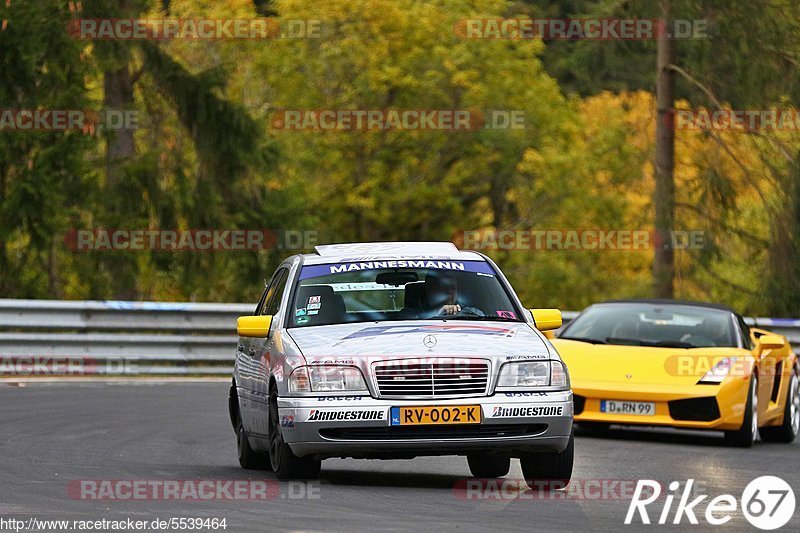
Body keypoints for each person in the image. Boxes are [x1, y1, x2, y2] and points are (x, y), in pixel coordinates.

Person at [401, 271, 483, 319]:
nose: (449, 291)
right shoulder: (409, 315)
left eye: (453, 288)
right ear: (429, 289)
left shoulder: (473, 313)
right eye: (443, 287)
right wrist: (438, 316)